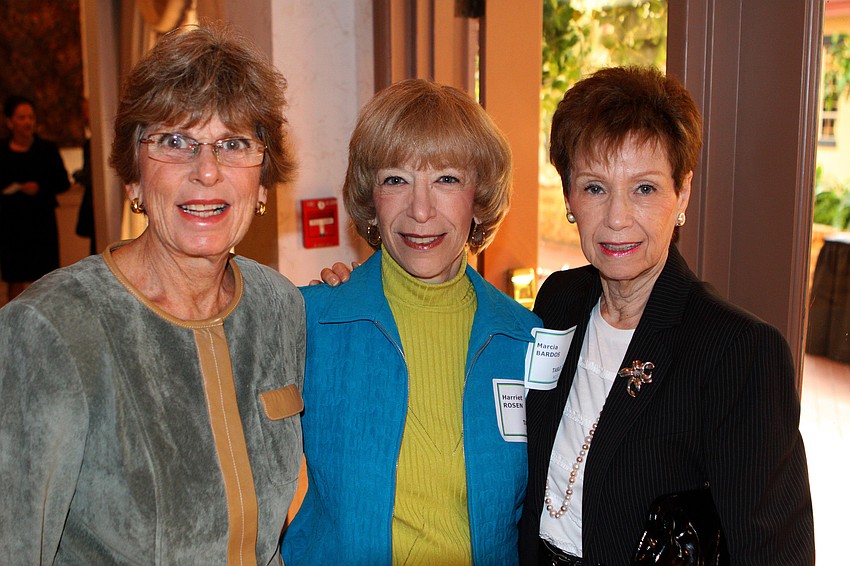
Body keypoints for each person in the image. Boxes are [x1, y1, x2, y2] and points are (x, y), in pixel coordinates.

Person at [0, 25, 305, 564]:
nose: (206, 171)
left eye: (233, 144)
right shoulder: (50, 330)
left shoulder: (280, 308)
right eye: (174, 141)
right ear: (134, 179)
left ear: (262, 184)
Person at [518, 66, 815, 564]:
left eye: (645, 189)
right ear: (569, 197)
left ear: (683, 194)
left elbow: (773, 550)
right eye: (595, 188)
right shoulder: (559, 300)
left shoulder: (738, 353)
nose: (616, 218)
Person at [280, 78, 541, 565]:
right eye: (395, 179)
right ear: (371, 198)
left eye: (446, 179)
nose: (420, 211)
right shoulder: (310, 321)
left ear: (478, 198)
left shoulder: (525, 339)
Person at [0, 95, 71, 302]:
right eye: (21, 117)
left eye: (30, 117)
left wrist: (39, 187)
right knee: (15, 277)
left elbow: (63, 183)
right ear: (10, 122)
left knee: (45, 277)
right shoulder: (2, 151)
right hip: (11, 224)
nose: (27, 122)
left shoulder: (46, 150)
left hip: (41, 222)